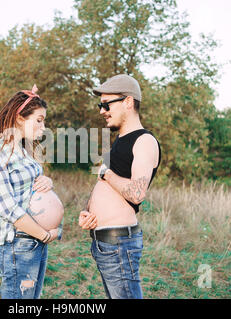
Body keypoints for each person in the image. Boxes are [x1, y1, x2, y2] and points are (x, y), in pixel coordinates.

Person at [79, 74, 161, 299]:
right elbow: (106, 188)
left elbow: (136, 193)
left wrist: (105, 174)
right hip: (106, 243)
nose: (101, 111)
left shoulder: (144, 141)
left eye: (106, 104)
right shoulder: (120, 140)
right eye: (100, 105)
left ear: (128, 102)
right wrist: (89, 211)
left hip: (119, 244)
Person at [0, 85, 64, 299]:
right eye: (39, 120)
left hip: (36, 241)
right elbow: (8, 209)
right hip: (19, 242)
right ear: (19, 118)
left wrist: (46, 181)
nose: (43, 127)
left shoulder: (25, 150)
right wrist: (45, 234)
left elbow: (30, 190)